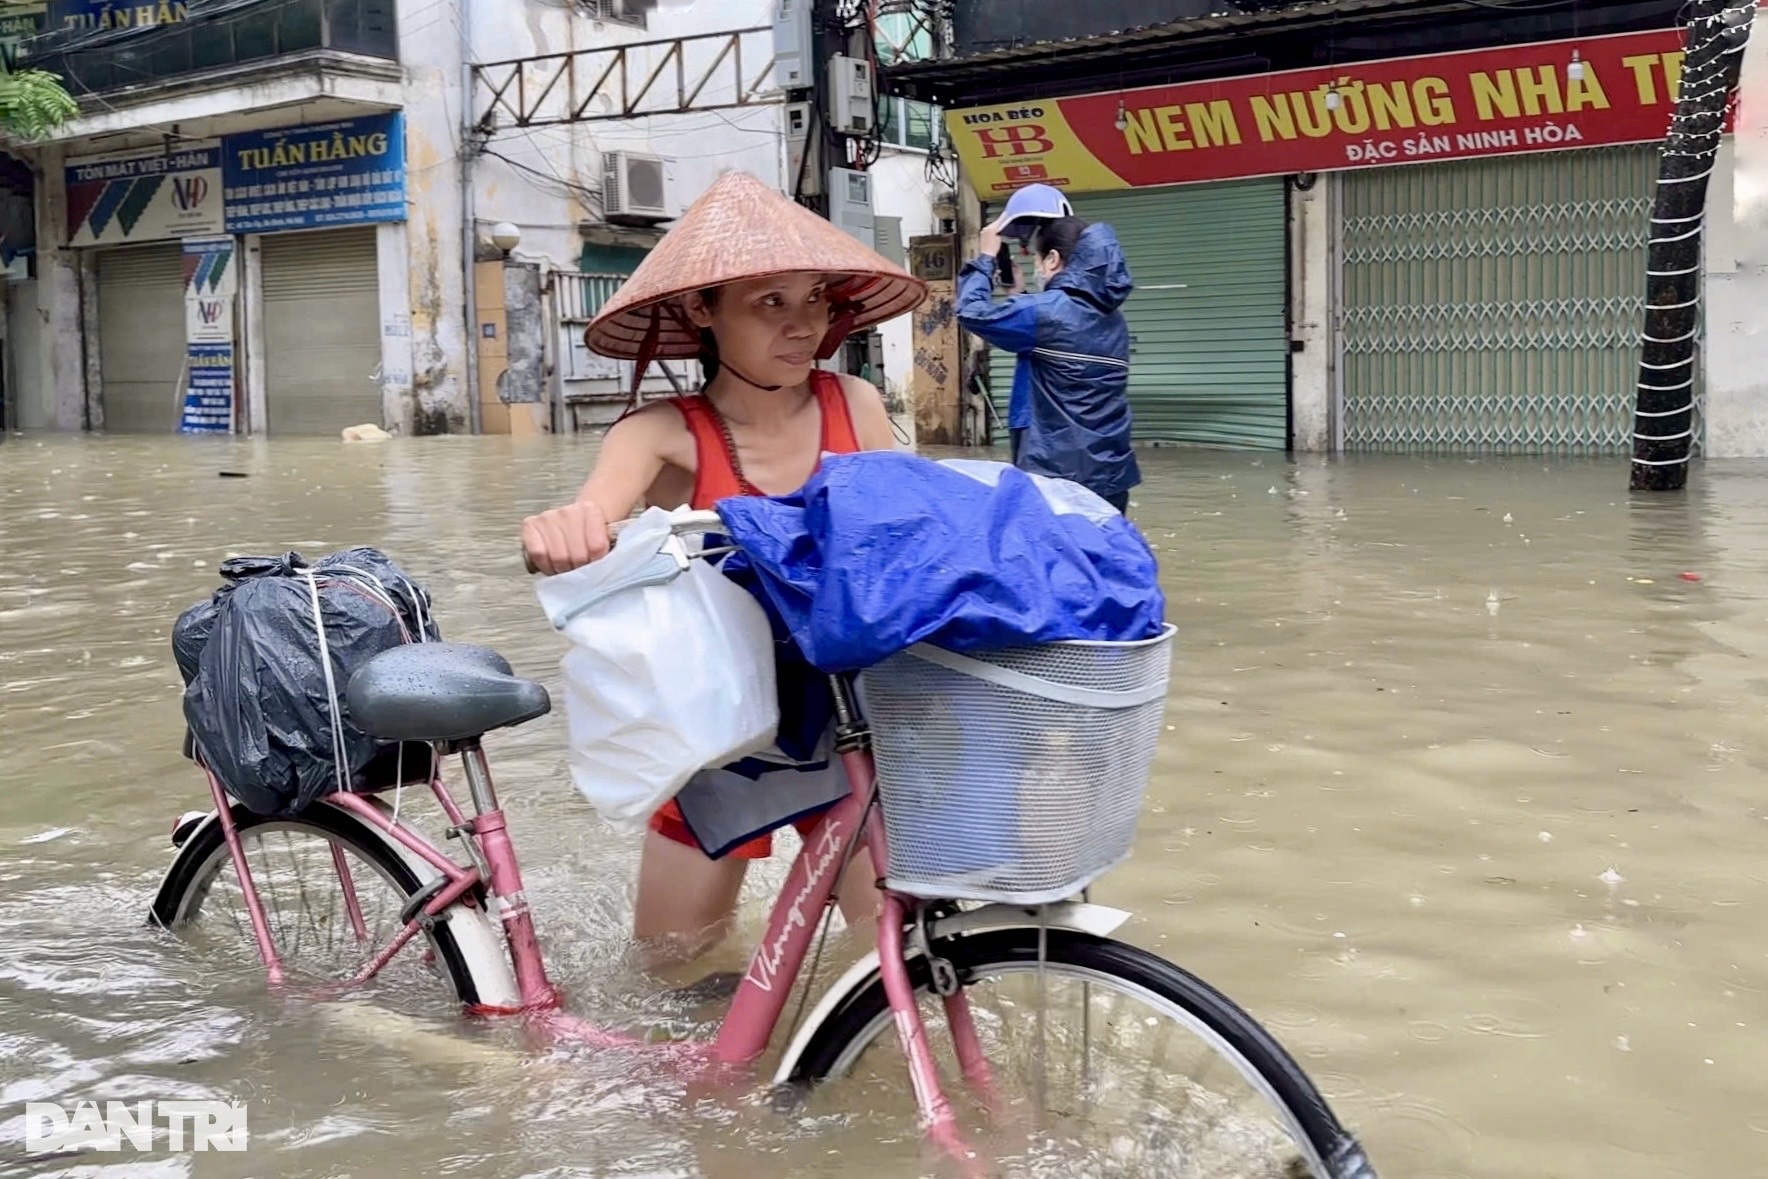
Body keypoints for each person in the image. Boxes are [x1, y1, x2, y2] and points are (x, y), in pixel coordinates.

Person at [520, 171, 927, 968]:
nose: (801, 324)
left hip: (847, 719)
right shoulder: (662, 433)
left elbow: (919, 529)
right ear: (703, 312)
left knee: (892, 961)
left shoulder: (859, 403)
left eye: (813, 299)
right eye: (769, 302)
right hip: (719, 727)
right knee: (667, 977)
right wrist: (563, 531)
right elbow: (596, 511)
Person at [957, 205, 1141, 513]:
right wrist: (1020, 293)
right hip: (1111, 477)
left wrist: (986, 258)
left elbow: (971, 312)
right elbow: (1057, 343)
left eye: (1039, 261)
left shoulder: (1046, 314)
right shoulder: (1115, 321)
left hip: (1057, 478)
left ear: (1053, 259)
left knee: (1053, 559)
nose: (1037, 269)